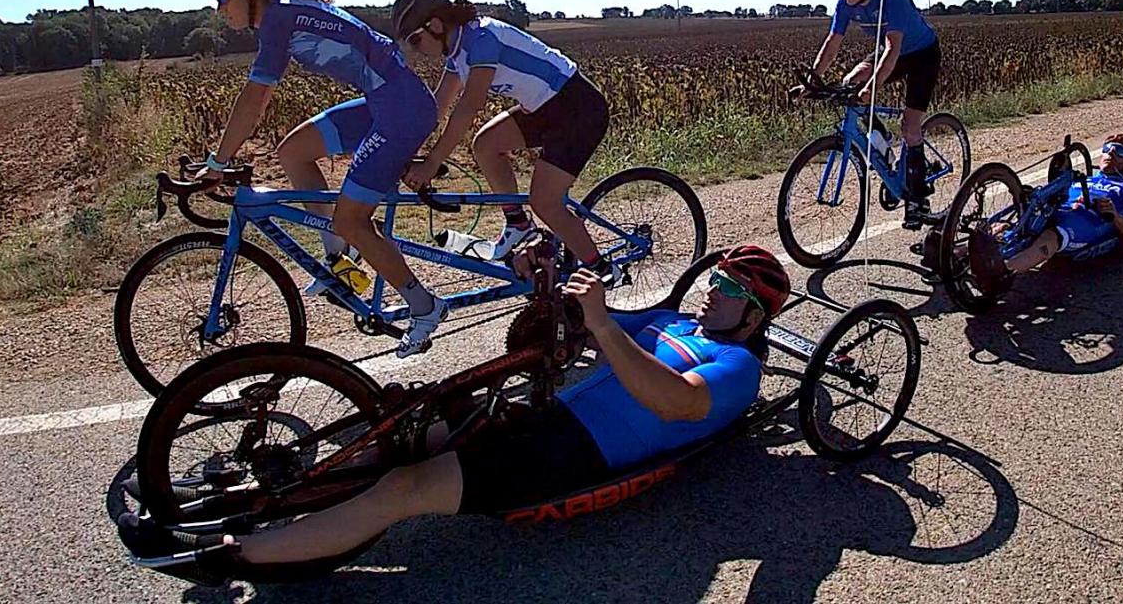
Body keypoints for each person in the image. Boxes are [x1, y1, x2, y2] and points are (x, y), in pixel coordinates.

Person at [118, 245, 792, 577]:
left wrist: (606, 330)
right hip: (543, 403)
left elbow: (675, 403)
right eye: (713, 278)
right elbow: (587, 329)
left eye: (729, 288)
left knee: (406, 487)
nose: (709, 291)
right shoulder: (681, 318)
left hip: (575, 448)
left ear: (756, 311)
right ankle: (242, 492)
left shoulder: (738, 368)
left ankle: (231, 553)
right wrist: (555, 291)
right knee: (395, 431)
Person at [201, 0, 445, 357]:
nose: (219, 8)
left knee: (352, 219)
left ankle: (424, 305)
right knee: (293, 151)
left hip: (400, 109)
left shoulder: (279, 18)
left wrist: (218, 161)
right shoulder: (284, 12)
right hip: (384, 100)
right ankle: (338, 262)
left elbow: (254, 101)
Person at [392, 0, 614, 275]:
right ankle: (518, 225)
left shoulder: (481, 39)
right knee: (485, 145)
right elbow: (438, 106)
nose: (416, 50)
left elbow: (467, 108)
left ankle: (601, 269)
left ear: (434, 25)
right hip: (543, 108)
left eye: (415, 40)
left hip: (577, 108)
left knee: (544, 201)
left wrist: (433, 162)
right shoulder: (456, 49)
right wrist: (403, 149)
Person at [794, 0, 943, 230]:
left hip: (921, 54)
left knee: (910, 126)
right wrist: (812, 81)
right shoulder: (845, 4)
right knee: (851, 82)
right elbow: (832, 43)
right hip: (888, 51)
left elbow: (892, 48)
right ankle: (880, 137)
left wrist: (873, 88)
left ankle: (918, 199)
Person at [967, 134, 1123, 295]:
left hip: (1089, 221)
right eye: (1107, 148)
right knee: (1010, 226)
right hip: (1057, 210)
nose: (1110, 153)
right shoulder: (1084, 178)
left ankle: (1002, 274)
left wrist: (1116, 217)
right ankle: (952, 254)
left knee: (1053, 234)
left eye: (1119, 152)